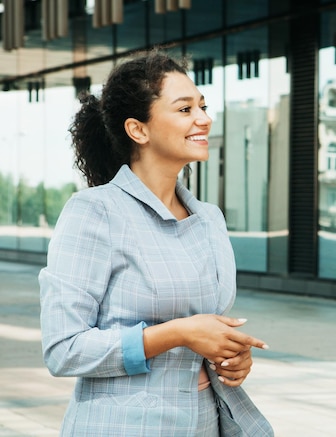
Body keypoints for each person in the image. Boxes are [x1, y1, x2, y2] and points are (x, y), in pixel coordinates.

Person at [39, 51, 273, 436]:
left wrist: (230, 356)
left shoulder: (209, 218)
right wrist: (177, 333)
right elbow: (63, 349)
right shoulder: (94, 213)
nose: (204, 119)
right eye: (185, 109)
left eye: (203, 106)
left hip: (207, 421)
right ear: (139, 130)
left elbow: (205, 328)